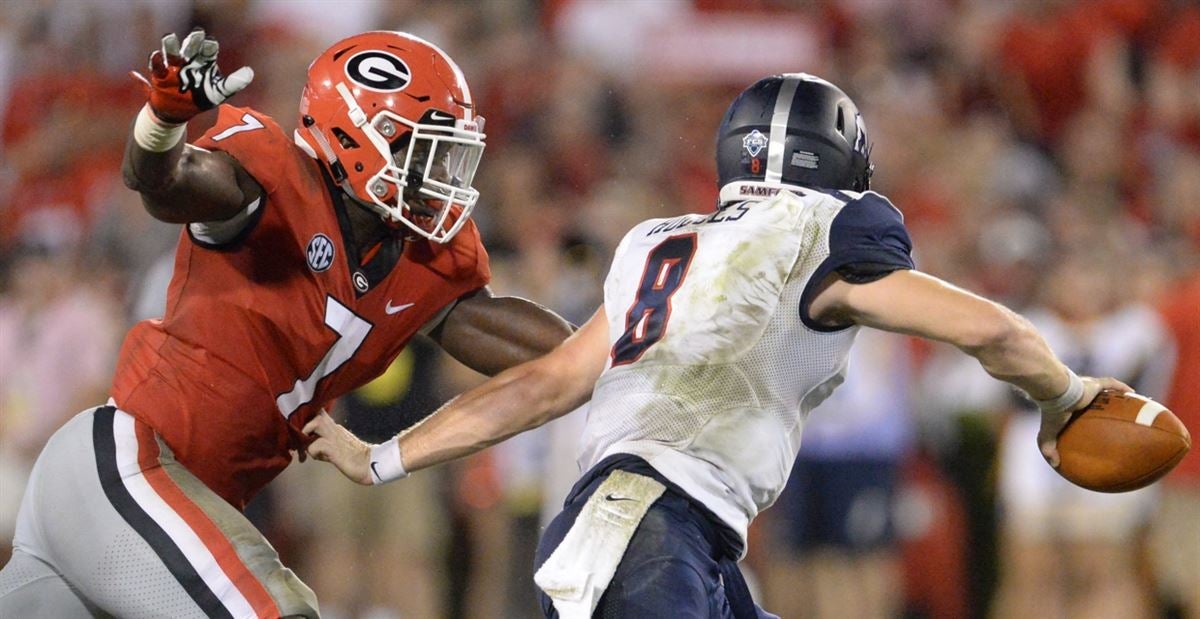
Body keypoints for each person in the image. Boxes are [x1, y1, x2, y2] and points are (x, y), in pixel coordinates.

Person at [304, 73, 1132, 618]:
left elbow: (548, 381)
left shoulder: (657, 240)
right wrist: (1066, 395)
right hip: (650, 527)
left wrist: (385, 455)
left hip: (653, 527)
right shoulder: (823, 232)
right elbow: (992, 327)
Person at [0, 29, 572, 619]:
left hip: (164, 504)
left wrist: (631, 334)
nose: (438, 174)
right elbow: (164, 183)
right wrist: (161, 123)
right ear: (357, 136)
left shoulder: (421, 262)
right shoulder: (271, 174)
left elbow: (541, 349)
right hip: (130, 467)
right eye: (421, 152)